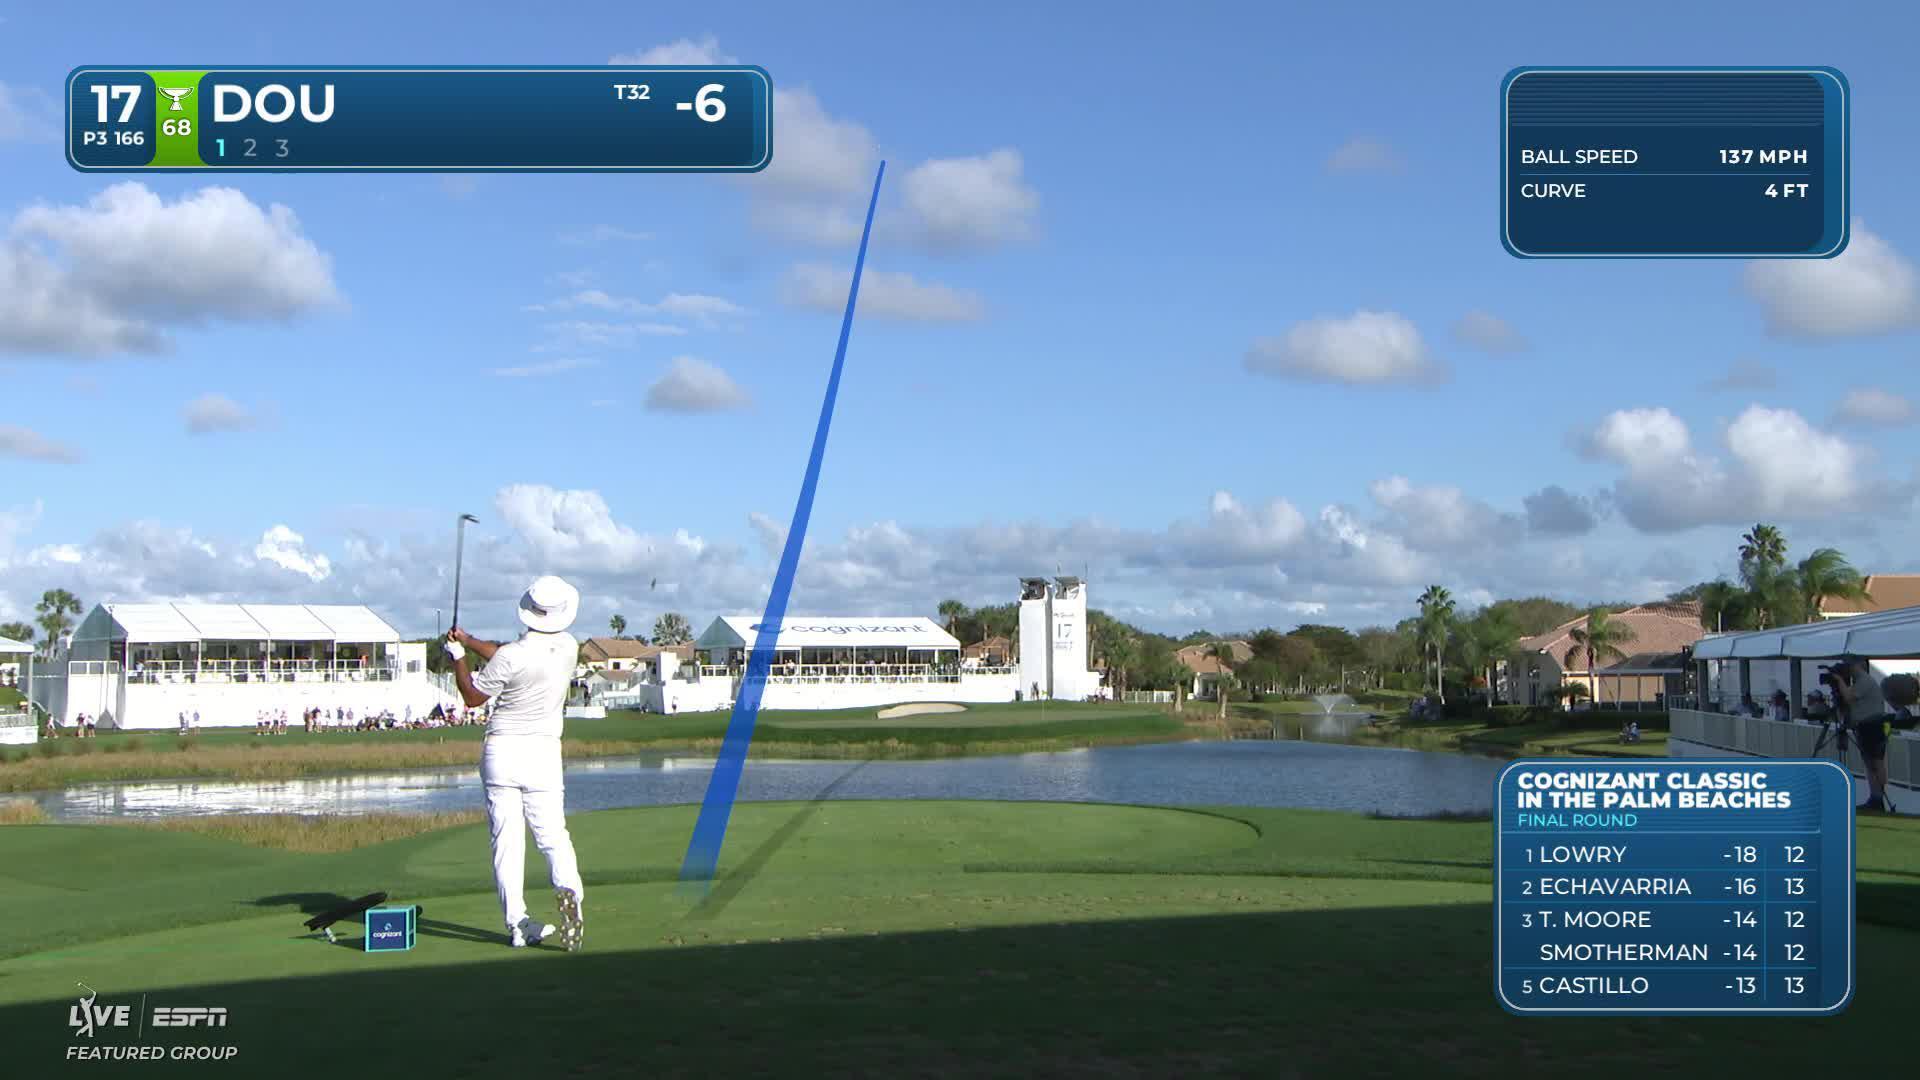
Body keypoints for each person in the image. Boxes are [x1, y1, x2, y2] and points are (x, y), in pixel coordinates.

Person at [446, 575, 586, 951]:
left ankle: (518, 924)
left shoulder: (512, 655)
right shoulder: (569, 647)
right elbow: (505, 657)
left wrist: (459, 657)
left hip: (502, 753)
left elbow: (474, 696)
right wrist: (470, 640)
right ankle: (570, 894)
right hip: (543, 754)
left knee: (507, 843)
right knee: (554, 837)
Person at [1829, 656, 1892, 813]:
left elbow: (1849, 697)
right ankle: (1875, 798)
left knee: (1875, 762)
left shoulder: (1864, 680)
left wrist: (1839, 681)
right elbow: (1848, 702)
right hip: (1866, 726)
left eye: (1848, 666)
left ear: (1856, 666)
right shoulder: (1860, 681)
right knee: (1870, 763)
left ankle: (1878, 799)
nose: (1847, 669)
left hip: (1873, 726)